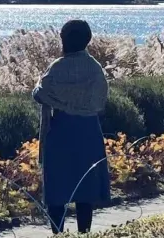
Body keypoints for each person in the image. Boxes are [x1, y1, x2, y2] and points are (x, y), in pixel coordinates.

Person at [32, 20, 111, 234]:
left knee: (58, 185)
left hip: (61, 128)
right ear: (87, 40)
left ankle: (58, 233)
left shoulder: (58, 66)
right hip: (88, 129)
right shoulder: (95, 68)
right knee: (85, 186)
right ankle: (84, 232)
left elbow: (40, 93)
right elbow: (101, 99)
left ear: (63, 39)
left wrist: (61, 101)